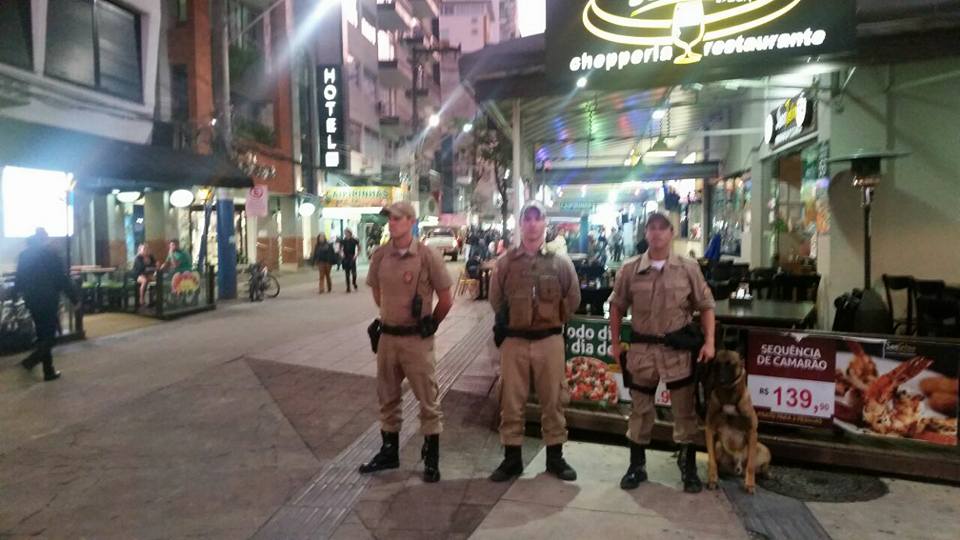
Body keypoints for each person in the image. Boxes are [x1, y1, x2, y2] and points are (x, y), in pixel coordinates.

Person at [608, 213, 716, 493]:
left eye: (662, 228)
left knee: (684, 410)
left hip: (677, 352)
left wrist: (710, 342)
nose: (656, 233)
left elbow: (705, 305)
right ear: (645, 233)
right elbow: (617, 306)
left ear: (672, 233)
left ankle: (688, 466)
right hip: (642, 351)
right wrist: (615, 341)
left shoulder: (688, 268)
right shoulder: (630, 269)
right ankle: (636, 465)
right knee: (640, 410)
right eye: (651, 228)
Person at [359, 202, 454, 483]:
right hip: (388, 337)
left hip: (416, 340)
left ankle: (432, 457)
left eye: (398, 218)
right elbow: (377, 293)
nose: (392, 223)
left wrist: (430, 325)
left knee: (428, 398)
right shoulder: (380, 256)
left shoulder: (427, 256)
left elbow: (446, 299)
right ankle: (389, 452)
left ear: (411, 221)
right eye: (390, 218)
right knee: (387, 396)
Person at [488, 201, 581, 483]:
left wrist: (554, 320)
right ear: (520, 224)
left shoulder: (559, 262)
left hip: (549, 341)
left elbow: (573, 297)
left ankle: (555, 457)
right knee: (511, 402)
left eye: (537, 219)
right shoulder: (505, 263)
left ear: (544, 224)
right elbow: (495, 299)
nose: (531, 224)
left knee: (553, 400)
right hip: (514, 342)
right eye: (526, 219)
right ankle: (511, 459)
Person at [14, 229, 78, 382]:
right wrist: (74, 299)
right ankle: (32, 361)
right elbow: (61, 279)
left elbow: (19, 279)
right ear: (44, 238)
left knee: (43, 334)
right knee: (50, 337)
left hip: (32, 300)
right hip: (48, 300)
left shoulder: (24, 255)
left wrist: (17, 294)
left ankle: (48, 371)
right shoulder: (51, 254)